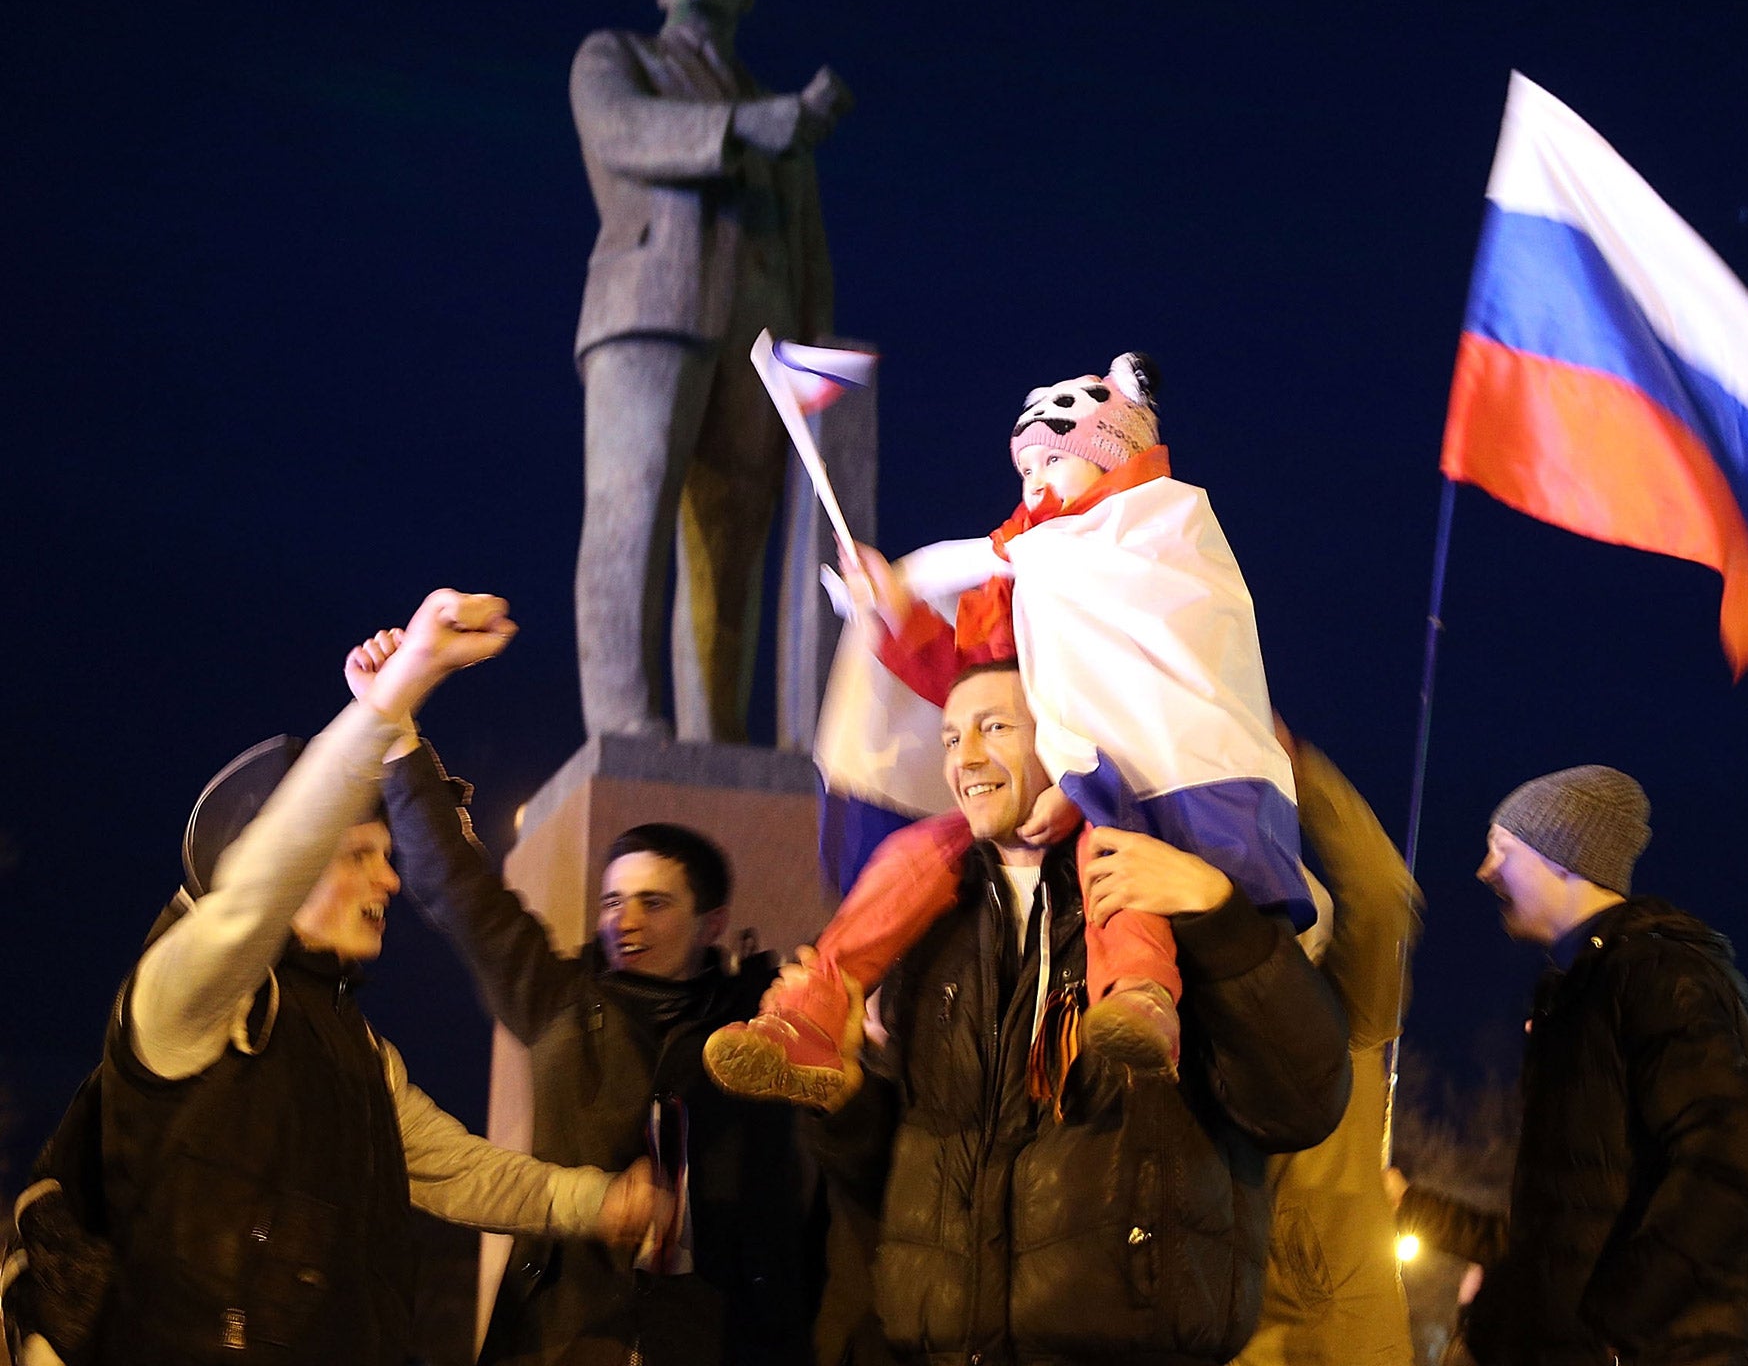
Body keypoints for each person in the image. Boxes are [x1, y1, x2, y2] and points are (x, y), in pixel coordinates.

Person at [11, 591, 665, 1366]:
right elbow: (259, 890)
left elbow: (458, 1172)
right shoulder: (182, 1001)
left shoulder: (356, 1050)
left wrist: (597, 1202)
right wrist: (395, 695)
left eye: (385, 858)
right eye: (357, 854)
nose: (388, 882)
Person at [706, 353, 1309, 1105]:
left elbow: (1162, 698)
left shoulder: (1156, 551)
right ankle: (816, 1014)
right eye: (1027, 462)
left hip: (1116, 795)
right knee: (910, 855)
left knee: (1115, 863)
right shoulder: (1006, 576)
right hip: (1020, 793)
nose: (1034, 477)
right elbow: (965, 685)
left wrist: (1083, 778)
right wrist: (895, 615)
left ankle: (1139, 996)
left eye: (1056, 457)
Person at [802, 659, 1352, 1366]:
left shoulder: (1167, 884)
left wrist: (1219, 915)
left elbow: (1301, 1103)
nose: (964, 757)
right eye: (947, 738)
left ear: (1063, 735)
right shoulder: (923, 927)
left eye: (994, 727)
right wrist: (845, 1102)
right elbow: (890, 1184)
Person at [345, 627, 813, 1366]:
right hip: (564, 1334)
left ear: (711, 922)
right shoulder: (564, 1001)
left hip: (725, 1334)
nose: (623, 922)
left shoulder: (765, 1028)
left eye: (653, 903)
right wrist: (398, 731)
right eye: (610, 901)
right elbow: (457, 888)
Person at [1386, 766, 1748, 1366]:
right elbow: (1569, 1222)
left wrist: (1619, 1323)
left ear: (1565, 856)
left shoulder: (1658, 977)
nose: (1484, 870)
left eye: (1502, 849)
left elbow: (1731, 1165)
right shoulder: (1581, 993)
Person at [570, 0, 850, 743]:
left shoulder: (781, 121)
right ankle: (621, 717)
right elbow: (623, 130)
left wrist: (818, 368)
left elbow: (811, 255)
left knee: (732, 549)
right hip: (650, 313)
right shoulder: (618, 56)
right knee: (631, 510)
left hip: (762, 344)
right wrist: (748, 127)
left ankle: (713, 736)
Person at [1233, 724, 1418, 1366]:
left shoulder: (1348, 1011)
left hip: (1336, 1340)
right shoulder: (1181, 1023)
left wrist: (1307, 777)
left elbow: (1380, 894)